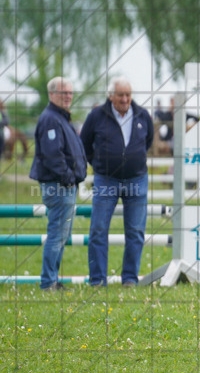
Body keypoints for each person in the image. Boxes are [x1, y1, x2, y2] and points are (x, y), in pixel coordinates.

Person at [80, 78, 155, 287]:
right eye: (120, 95)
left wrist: (133, 158)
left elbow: (148, 140)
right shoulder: (96, 116)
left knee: (136, 232)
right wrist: (97, 163)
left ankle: (130, 278)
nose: (125, 99)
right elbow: (84, 143)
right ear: (110, 95)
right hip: (106, 179)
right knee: (98, 230)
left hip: (136, 178)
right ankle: (97, 280)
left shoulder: (142, 115)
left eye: (128, 95)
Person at [30, 77, 87, 291]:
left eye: (70, 93)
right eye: (64, 93)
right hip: (59, 186)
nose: (68, 97)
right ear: (52, 95)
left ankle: (52, 280)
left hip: (64, 185)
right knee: (57, 234)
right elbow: (53, 155)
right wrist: (68, 179)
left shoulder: (60, 118)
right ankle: (48, 282)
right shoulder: (51, 120)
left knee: (62, 234)